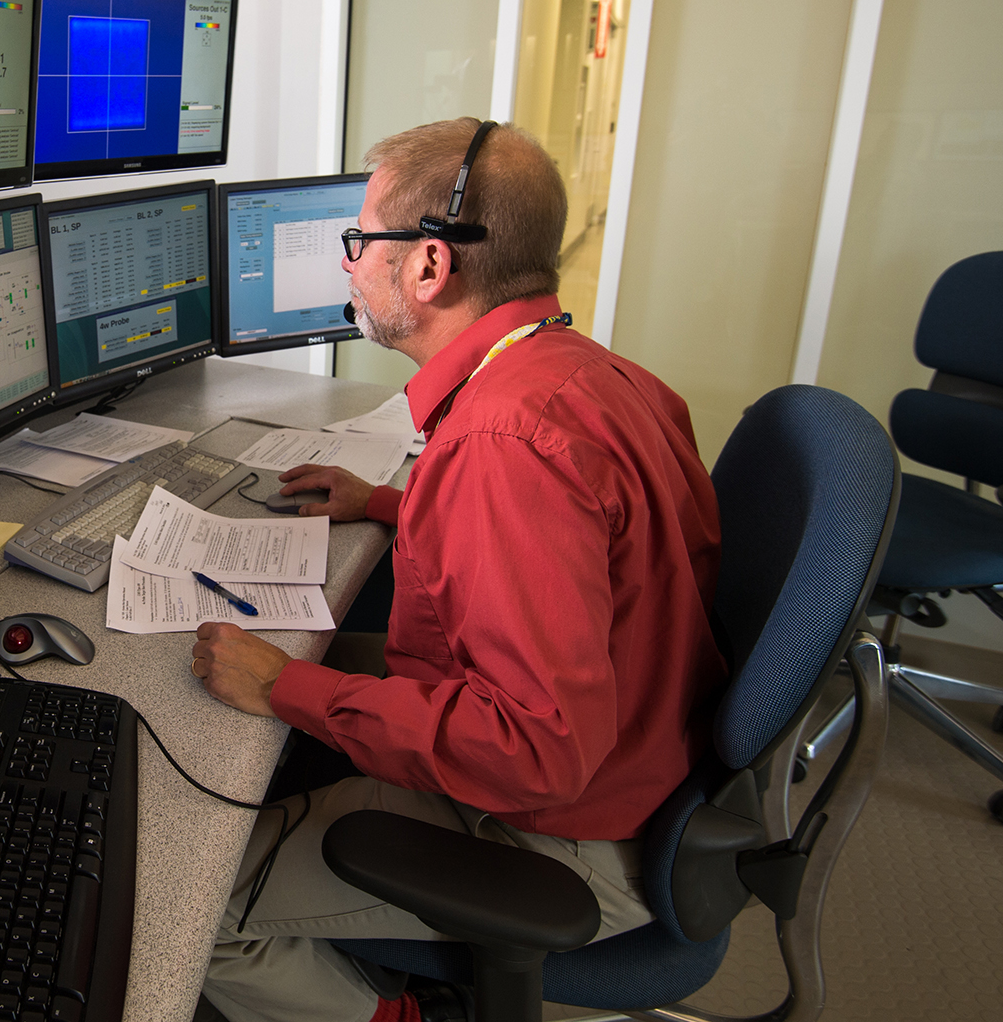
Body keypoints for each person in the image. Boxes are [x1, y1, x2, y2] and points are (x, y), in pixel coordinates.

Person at [192, 118, 728, 1022]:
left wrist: (288, 687)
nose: (349, 265)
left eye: (360, 243)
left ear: (429, 267)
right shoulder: (588, 374)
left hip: (563, 834)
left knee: (181, 908)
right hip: (648, 756)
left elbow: (534, 751)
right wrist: (390, 503)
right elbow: (591, 545)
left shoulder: (504, 444)